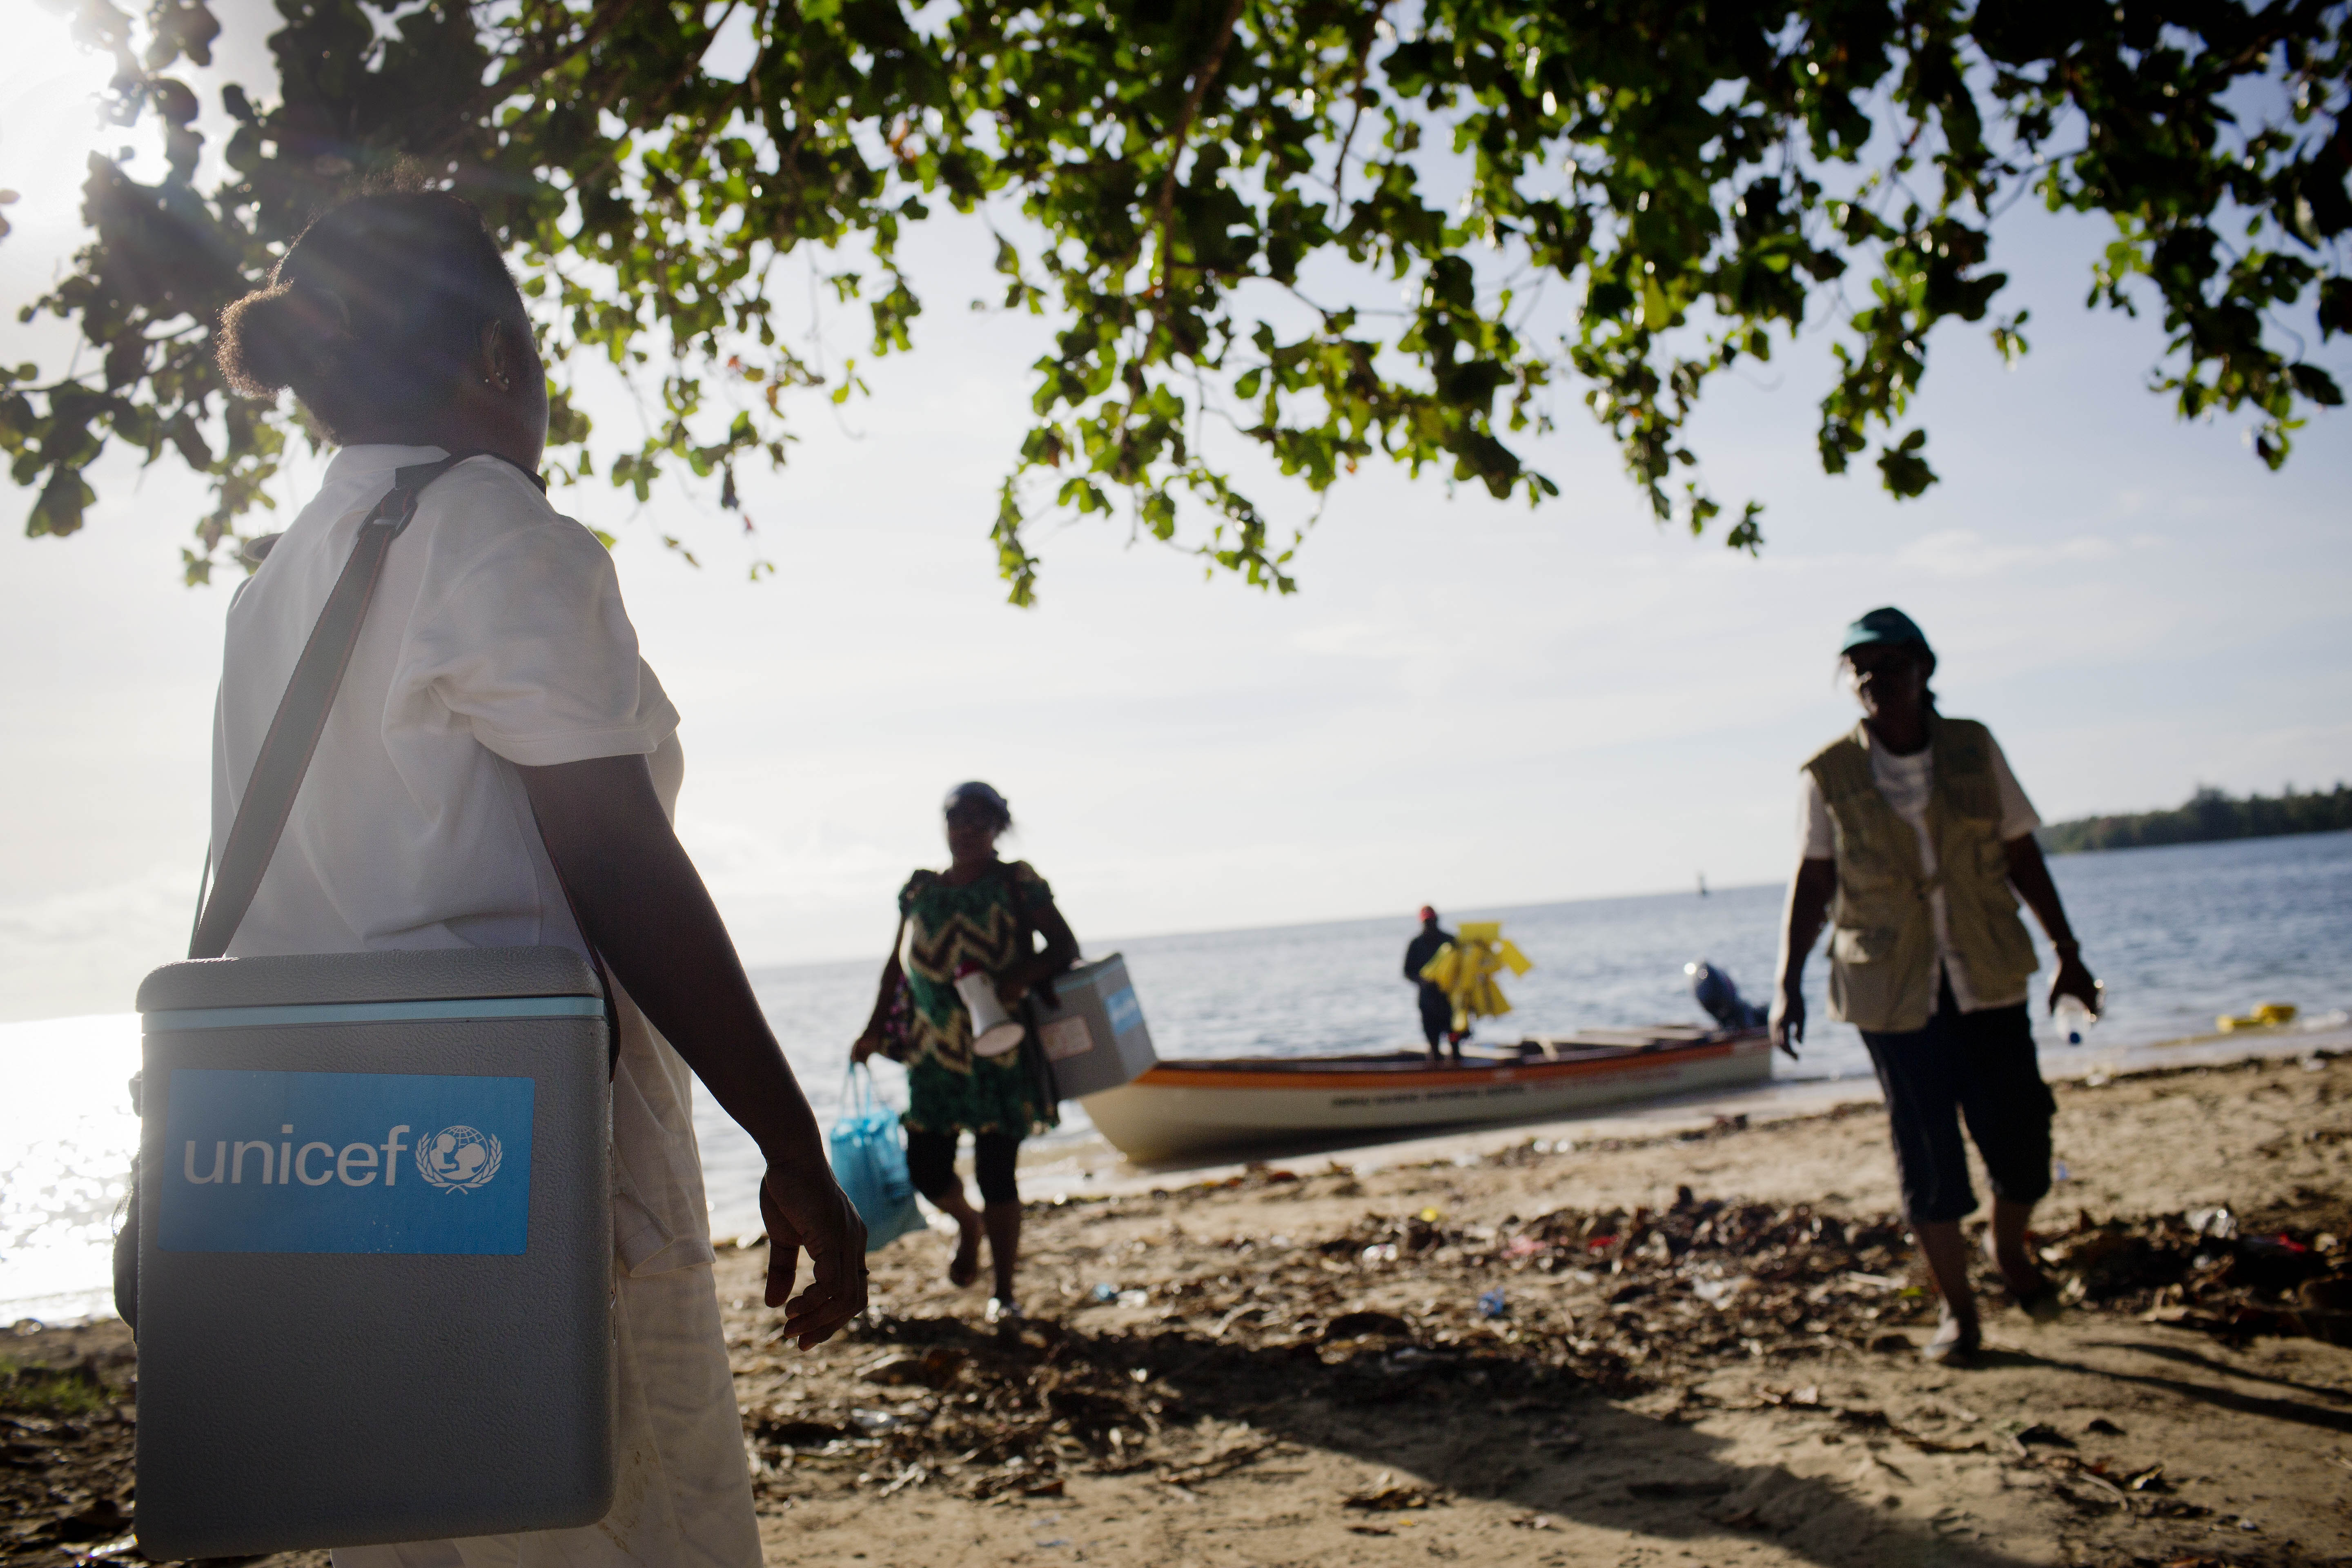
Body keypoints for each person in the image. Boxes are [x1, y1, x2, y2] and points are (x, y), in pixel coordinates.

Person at [208, 188, 865, 1568]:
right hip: (522, 1159)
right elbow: (617, 859)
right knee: (617, 1524)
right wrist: (791, 1144)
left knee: (417, 1536)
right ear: (498, 355)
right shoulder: (493, 529)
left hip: (328, 1174)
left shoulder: (277, 584)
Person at [1770, 607, 2100, 1365]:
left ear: (1923, 669)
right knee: (1927, 1153)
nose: (1875, 679)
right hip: (1890, 991)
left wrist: (2068, 952)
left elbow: (2021, 853)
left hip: (1985, 974)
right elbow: (1813, 882)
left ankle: (2006, 1247)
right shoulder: (1828, 774)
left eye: (1890, 664)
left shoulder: (1973, 748)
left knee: (2023, 1143)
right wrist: (1787, 983)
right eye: (1860, 669)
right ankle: (1959, 1311)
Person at [853, 782, 1079, 1321]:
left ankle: (1004, 1293)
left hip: (1002, 1050)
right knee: (926, 1169)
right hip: (933, 1054)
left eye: (981, 820)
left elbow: (1065, 947)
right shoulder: (920, 889)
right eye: (958, 819)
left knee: (998, 1174)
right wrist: (872, 1030)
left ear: (999, 828)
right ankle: (967, 1223)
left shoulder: (1016, 882)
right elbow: (896, 966)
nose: (968, 830)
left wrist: (1020, 977)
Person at [1403, 906, 1460, 1063]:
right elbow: (1407, 972)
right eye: (1427, 922)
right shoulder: (1416, 944)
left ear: (1437, 920)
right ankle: (1436, 1067)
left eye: (1432, 921)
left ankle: (1458, 1067)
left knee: (1454, 1037)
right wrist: (1422, 981)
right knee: (1433, 1042)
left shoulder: (1450, 940)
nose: (1430, 925)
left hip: (1450, 1001)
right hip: (1428, 1001)